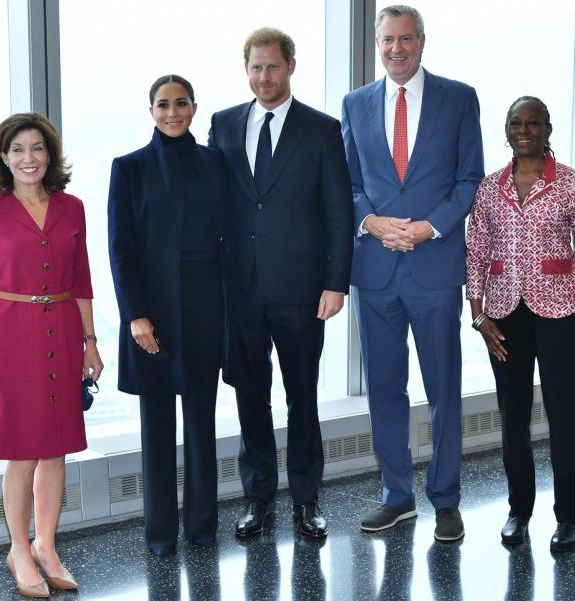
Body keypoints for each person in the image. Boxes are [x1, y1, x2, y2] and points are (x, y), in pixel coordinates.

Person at [341, 4, 484, 542]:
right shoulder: (355, 104)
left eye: (405, 39)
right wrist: (372, 222)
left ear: (422, 42)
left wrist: (429, 228)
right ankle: (396, 496)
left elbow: (470, 179)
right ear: (377, 44)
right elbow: (349, 183)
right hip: (375, 269)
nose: (396, 49)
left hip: (435, 264)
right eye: (387, 41)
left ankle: (446, 499)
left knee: (444, 386)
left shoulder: (458, 97)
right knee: (384, 388)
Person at [208, 28, 353, 539]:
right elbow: (214, 203)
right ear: (245, 70)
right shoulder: (223, 125)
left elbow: (339, 209)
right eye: (255, 68)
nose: (264, 77)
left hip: (301, 289)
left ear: (291, 65)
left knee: (303, 397)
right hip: (240, 289)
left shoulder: (321, 129)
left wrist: (337, 283)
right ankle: (258, 498)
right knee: (250, 396)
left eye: (272, 67)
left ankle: (307, 501)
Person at [0, 113, 103, 598]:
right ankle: (19, 549)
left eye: (37, 148)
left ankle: (46, 545)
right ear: (4, 158)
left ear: (50, 155)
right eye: (18, 149)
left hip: (63, 330)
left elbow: (82, 278)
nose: (29, 158)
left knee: (56, 449)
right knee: (21, 453)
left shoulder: (73, 207)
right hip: (9, 336)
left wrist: (91, 342)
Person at [466, 97, 575, 551]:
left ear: (547, 129)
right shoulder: (490, 188)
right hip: (504, 314)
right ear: (506, 130)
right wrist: (478, 314)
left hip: (562, 313)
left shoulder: (570, 183)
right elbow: (477, 251)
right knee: (513, 417)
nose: (524, 130)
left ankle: (568, 518)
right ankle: (518, 510)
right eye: (516, 123)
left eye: (533, 123)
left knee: (564, 416)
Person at [107, 74, 227, 555]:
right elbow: (121, 251)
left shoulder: (214, 164)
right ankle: (159, 534)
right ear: (151, 112)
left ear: (194, 109)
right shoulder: (129, 168)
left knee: (202, 422)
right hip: (151, 314)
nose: (172, 112)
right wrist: (135, 315)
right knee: (156, 428)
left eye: (181, 103)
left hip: (204, 309)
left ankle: (201, 528)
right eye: (163, 105)